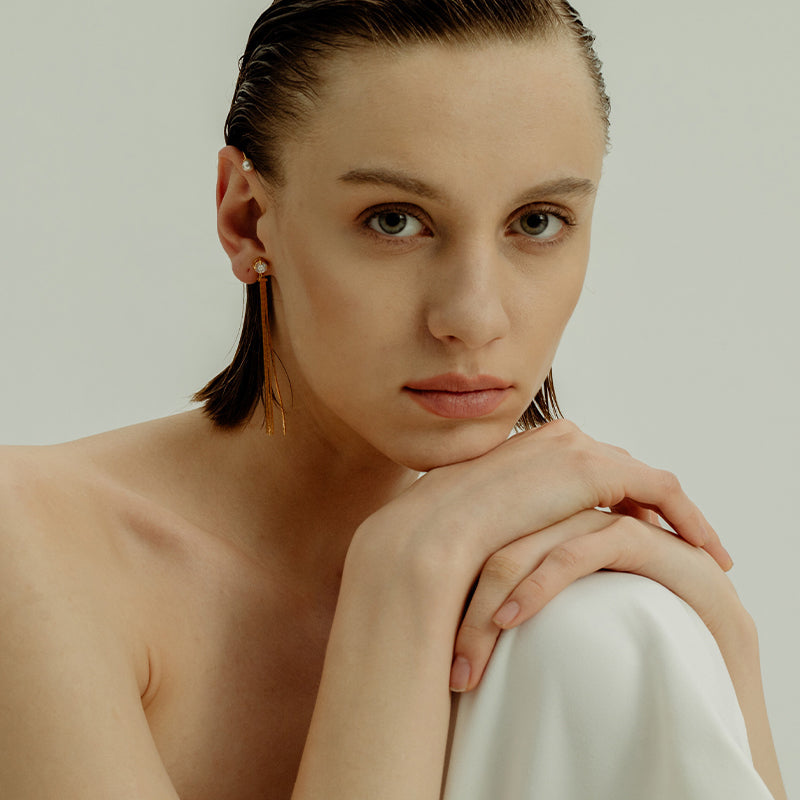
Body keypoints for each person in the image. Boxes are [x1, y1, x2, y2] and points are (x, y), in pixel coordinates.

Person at [0, 1, 788, 798]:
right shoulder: (31, 548)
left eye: (537, 221)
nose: (474, 318)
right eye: (394, 220)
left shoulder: (574, 612)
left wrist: (723, 639)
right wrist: (400, 587)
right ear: (247, 220)